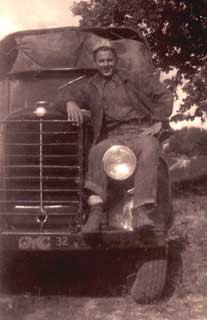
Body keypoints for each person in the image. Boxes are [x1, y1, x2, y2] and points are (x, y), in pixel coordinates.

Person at [64, 39, 173, 232]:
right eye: (101, 61)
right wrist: (70, 102)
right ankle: (96, 210)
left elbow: (165, 95)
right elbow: (64, 93)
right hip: (113, 135)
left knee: (150, 147)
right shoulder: (91, 85)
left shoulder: (135, 78)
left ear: (115, 60)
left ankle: (141, 211)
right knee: (97, 151)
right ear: (95, 62)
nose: (105, 64)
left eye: (109, 60)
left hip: (139, 131)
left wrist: (158, 121)